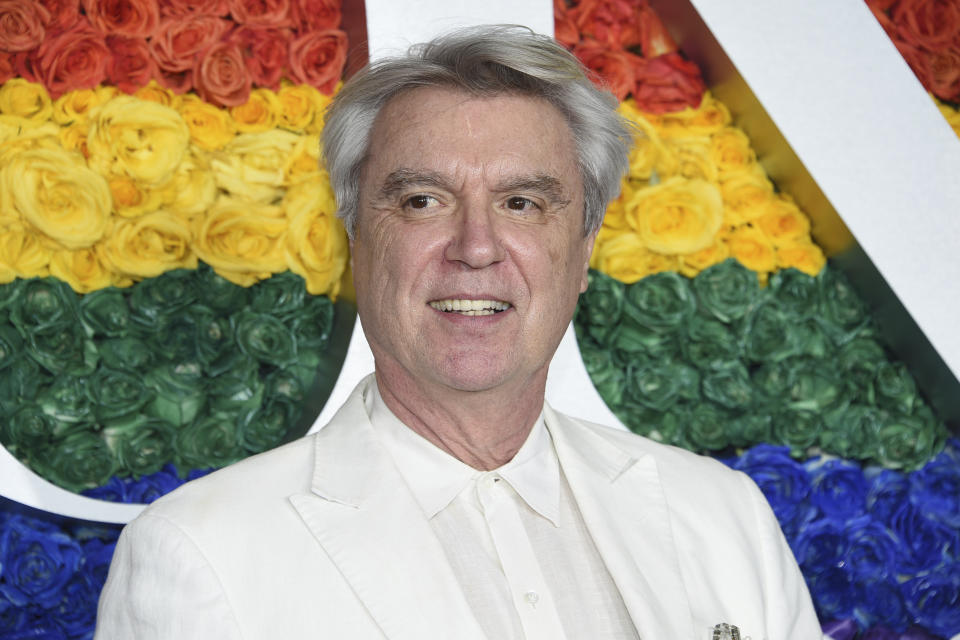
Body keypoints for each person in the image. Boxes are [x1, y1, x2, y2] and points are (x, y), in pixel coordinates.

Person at [95, 25, 823, 640]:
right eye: (422, 200)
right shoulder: (200, 553)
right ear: (354, 238)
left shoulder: (726, 519)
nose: (476, 246)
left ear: (585, 248)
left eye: (521, 203)